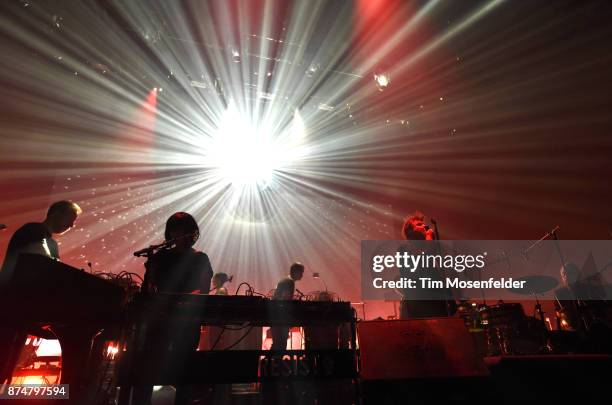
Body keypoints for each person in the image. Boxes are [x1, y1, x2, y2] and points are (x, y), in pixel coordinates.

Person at [134, 212, 213, 405]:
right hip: (159, 319)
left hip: (186, 320)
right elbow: (149, 288)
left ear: (192, 233)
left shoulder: (200, 258)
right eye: (176, 230)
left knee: (183, 366)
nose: (180, 234)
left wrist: (181, 302)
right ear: (170, 233)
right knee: (150, 365)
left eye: (185, 230)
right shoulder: (160, 256)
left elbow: (203, 290)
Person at [0, 200, 82, 385]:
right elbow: (44, 265)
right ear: (56, 213)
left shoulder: (47, 240)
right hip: (9, 304)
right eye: (71, 219)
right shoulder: (33, 231)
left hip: (18, 308)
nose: (71, 225)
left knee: (6, 363)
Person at [399, 211, 455, 319]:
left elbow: (441, 273)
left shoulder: (433, 248)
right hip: (421, 305)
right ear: (410, 231)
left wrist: (450, 299)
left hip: (438, 303)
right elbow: (421, 267)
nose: (424, 226)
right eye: (419, 225)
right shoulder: (405, 249)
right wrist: (429, 241)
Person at [270, 262, 304, 350]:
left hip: (275, 316)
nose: (302, 275)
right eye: (301, 272)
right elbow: (286, 300)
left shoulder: (286, 280)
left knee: (277, 343)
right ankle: (274, 362)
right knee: (281, 344)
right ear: (296, 272)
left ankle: (268, 362)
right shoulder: (290, 282)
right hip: (280, 317)